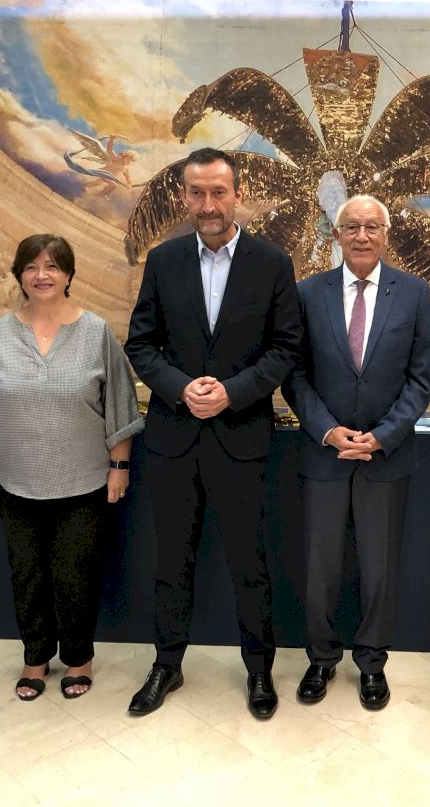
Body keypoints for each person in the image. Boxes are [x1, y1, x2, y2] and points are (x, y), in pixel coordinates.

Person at [124, 147, 302, 720]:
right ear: (184, 198)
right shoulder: (163, 260)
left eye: (218, 192)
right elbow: (141, 344)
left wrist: (233, 391)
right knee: (171, 560)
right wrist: (181, 388)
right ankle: (167, 664)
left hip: (241, 436)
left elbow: (285, 348)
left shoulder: (272, 263)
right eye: (197, 193)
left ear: (237, 194)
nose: (208, 204)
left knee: (250, 562)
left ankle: (259, 669)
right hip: (174, 437)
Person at [0, 234, 143, 701]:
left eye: (53, 266)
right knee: (27, 575)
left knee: (76, 575)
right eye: (32, 266)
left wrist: (119, 466)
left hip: (83, 480)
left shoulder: (96, 332)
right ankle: (35, 658)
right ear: (20, 275)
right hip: (13, 481)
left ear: (68, 275)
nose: (43, 275)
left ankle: (79, 659)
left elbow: (120, 405)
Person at [284, 195, 430, 711]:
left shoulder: (413, 293)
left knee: (380, 566)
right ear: (337, 234)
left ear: (386, 235)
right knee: (319, 566)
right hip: (323, 455)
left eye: (372, 227)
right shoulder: (308, 293)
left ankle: (372, 662)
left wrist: (384, 435)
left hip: (385, 456)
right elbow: (295, 375)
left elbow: (420, 380)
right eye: (352, 227)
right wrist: (327, 431)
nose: (362, 236)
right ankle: (321, 658)